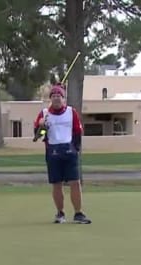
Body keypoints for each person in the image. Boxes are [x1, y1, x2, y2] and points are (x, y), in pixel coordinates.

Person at [34, 84, 91, 224]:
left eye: (59, 96)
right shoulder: (44, 114)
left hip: (69, 151)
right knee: (56, 184)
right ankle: (60, 213)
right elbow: (38, 136)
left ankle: (78, 213)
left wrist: (75, 149)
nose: (56, 99)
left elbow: (78, 131)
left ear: (63, 98)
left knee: (75, 183)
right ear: (50, 99)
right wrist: (42, 126)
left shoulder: (72, 112)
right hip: (53, 151)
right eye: (53, 96)